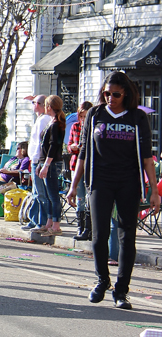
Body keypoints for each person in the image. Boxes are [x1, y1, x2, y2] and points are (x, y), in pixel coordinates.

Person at [66, 71, 160, 310]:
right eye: (106, 93)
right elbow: (84, 155)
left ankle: (121, 290)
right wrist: (74, 185)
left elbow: (147, 158)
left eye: (115, 94)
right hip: (100, 181)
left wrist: (154, 190)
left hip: (128, 182)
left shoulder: (137, 117)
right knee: (99, 235)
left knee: (127, 235)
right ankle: (102, 280)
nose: (110, 98)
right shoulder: (96, 115)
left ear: (125, 93)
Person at [34, 95, 66, 236]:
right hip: (45, 162)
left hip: (52, 163)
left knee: (53, 195)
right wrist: (40, 164)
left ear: (49, 106)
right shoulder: (51, 122)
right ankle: (48, 223)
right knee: (48, 194)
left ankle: (56, 225)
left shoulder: (56, 125)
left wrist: (46, 164)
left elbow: (54, 146)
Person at [23, 95, 52, 232]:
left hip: (37, 160)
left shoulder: (44, 120)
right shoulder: (40, 118)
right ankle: (34, 219)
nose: (32, 104)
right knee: (35, 193)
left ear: (39, 105)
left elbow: (41, 143)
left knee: (41, 194)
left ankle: (42, 221)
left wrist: (38, 160)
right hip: (34, 160)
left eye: (34, 103)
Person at [68, 102, 94, 241]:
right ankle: (81, 227)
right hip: (76, 164)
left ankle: (89, 229)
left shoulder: (94, 127)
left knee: (89, 198)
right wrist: (73, 146)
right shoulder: (75, 126)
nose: (83, 119)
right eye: (81, 116)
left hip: (90, 166)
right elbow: (69, 145)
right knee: (80, 198)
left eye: (86, 116)